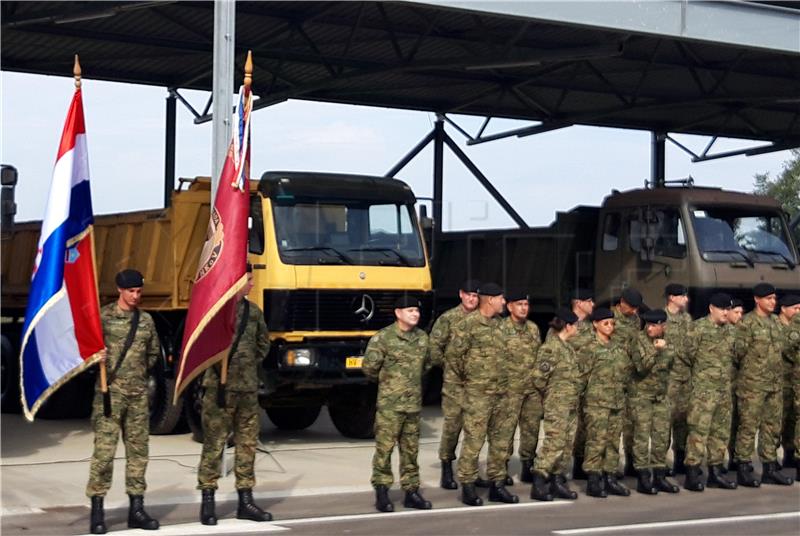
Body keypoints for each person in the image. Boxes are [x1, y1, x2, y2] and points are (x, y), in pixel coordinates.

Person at [197, 264, 272, 525]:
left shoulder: (253, 313)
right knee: (215, 444)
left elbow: (264, 344)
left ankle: (246, 500)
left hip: (247, 389)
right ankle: (208, 500)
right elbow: (201, 348)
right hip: (219, 389)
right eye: (248, 279)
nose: (252, 284)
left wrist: (247, 365)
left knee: (247, 444)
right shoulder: (216, 311)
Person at [86, 269, 160, 534]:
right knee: (104, 455)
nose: (135, 296)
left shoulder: (146, 321)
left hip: (138, 396)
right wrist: (97, 359)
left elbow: (152, 356)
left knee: (138, 454)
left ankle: (136, 510)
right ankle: (97, 510)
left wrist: (137, 377)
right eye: (131, 291)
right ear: (120, 289)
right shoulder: (103, 318)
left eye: (139, 292)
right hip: (110, 395)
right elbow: (84, 353)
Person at [449, 283, 518, 506]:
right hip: (478, 394)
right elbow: (454, 358)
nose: (504, 303)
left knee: (500, 442)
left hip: (502, 394)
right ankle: (468, 486)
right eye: (501, 299)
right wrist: (472, 380)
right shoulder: (467, 325)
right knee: (474, 441)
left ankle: (497, 484)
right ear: (490, 300)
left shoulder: (502, 326)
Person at [363, 295, 433, 513]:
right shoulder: (383, 338)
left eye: (417, 311)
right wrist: (391, 385)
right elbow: (369, 368)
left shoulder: (422, 338)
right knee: (384, 450)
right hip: (390, 406)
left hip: (413, 406)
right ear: (398, 313)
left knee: (411, 451)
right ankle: (382, 492)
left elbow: (426, 364)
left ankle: (411, 491)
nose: (415, 314)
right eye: (410, 310)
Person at [733, 283, 794, 487]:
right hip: (753, 386)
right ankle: (743, 467)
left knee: (772, 427)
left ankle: (769, 468)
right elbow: (737, 353)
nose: (773, 302)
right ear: (757, 300)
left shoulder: (776, 323)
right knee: (748, 427)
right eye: (768, 298)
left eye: (774, 299)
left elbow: (784, 348)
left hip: (774, 385)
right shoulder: (747, 324)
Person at [683, 293, 737, 492]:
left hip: (724, 391)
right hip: (704, 392)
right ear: (711, 308)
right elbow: (686, 355)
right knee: (698, 433)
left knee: (720, 433)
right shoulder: (698, 329)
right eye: (722, 308)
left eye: (728, 309)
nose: (726, 312)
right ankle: (692, 472)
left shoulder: (731, 332)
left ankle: (715, 472)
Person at [430, 279, 480, 490]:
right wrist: (449, 367)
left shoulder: (483, 319)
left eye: (476, 296)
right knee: (452, 426)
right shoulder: (449, 319)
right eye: (468, 294)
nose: (472, 299)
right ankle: (447, 466)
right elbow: (434, 347)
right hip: (454, 385)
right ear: (461, 294)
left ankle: (470, 471)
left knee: (475, 428)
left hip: (477, 384)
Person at [529, 308, 582, 501]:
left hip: (570, 404)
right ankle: (539, 480)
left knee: (567, 444)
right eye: (576, 325)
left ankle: (557, 480)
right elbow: (538, 378)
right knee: (554, 442)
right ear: (568, 326)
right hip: (557, 404)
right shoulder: (551, 348)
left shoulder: (567, 347)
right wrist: (553, 395)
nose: (578, 328)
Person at [582, 307, 633, 498]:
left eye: (612, 323)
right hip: (597, 403)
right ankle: (593, 480)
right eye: (606, 323)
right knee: (596, 441)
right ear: (595, 324)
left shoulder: (618, 348)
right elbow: (581, 376)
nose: (610, 327)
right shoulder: (589, 349)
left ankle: (610, 477)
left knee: (613, 442)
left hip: (617, 402)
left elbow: (626, 372)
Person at [630, 309, 680, 495]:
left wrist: (664, 349)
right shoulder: (638, 341)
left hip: (660, 396)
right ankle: (643, 477)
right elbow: (641, 367)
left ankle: (660, 476)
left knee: (661, 437)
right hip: (641, 396)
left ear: (663, 326)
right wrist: (655, 351)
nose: (649, 328)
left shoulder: (669, 342)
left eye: (653, 325)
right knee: (642, 437)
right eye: (648, 324)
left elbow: (671, 366)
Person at [499, 290, 542, 485]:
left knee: (531, 429)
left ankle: (527, 466)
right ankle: (501, 468)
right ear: (509, 307)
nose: (524, 308)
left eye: (526, 305)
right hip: (509, 390)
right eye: (519, 305)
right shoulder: (501, 329)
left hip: (531, 390)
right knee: (505, 431)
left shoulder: (533, 328)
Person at [564, 288, 595, 480]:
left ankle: (579, 465)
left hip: (590, 387)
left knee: (585, 428)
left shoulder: (593, 327)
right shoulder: (564, 325)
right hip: (570, 386)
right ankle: (556, 471)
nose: (593, 305)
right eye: (589, 301)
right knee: (567, 430)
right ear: (579, 303)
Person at [613, 288, 643, 478]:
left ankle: (631, 463)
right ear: (621, 302)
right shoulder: (609, 318)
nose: (633, 311)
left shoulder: (636, 321)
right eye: (630, 307)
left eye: (635, 308)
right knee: (613, 425)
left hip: (631, 379)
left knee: (632, 423)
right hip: (613, 377)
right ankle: (610, 466)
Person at [663, 284, 692, 475]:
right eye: (682, 296)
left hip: (686, 377)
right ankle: (661, 462)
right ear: (672, 298)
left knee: (683, 421)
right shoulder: (661, 318)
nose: (686, 300)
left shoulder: (687, 319)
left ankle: (681, 460)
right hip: (668, 377)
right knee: (665, 420)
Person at [778, 295, 800, 469]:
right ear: (784, 308)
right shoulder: (776, 325)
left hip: (794, 381)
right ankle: (771, 458)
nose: (797, 312)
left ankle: (790, 454)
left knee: (793, 420)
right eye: (795, 308)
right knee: (780, 420)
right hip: (781, 380)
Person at [726, 298, 745, 471]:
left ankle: (735, 458)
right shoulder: (723, 331)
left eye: (741, 313)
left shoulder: (742, 331)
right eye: (736, 312)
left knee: (739, 421)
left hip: (740, 383)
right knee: (727, 423)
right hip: (725, 383)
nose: (739, 316)